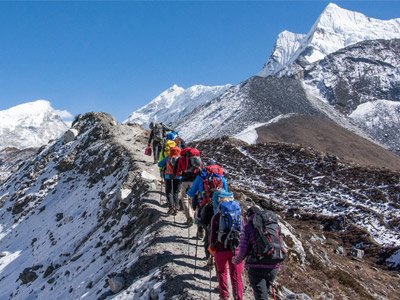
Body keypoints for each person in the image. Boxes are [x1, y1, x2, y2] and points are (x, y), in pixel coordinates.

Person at [232, 206, 283, 300]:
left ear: (248, 216)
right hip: (273, 265)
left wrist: (235, 261)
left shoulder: (248, 227)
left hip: (256, 266)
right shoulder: (272, 225)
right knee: (264, 293)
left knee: (260, 295)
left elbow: (243, 250)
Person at [209, 192, 243, 300]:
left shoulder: (217, 217)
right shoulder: (239, 217)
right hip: (236, 249)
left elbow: (212, 235)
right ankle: (238, 297)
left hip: (220, 249)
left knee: (221, 272)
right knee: (236, 276)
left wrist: (212, 247)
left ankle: (224, 296)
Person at [175, 148, 202, 226]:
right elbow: (201, 169)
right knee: (193, 199)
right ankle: (195, 216)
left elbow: (178, 171)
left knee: (185, 199)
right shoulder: (198, 158)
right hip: (195, 181)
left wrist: (180, 175)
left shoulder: (182, 159)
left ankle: (189, 218)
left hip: (185, 181)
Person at [158, 146, 182, 215]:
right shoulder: (180, 158)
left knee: (169, 192)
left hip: (168, 176)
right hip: (178, 177)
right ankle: (177, 207)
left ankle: (171, 207)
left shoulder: (168, 157)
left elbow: (159, 164)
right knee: (176, 192)